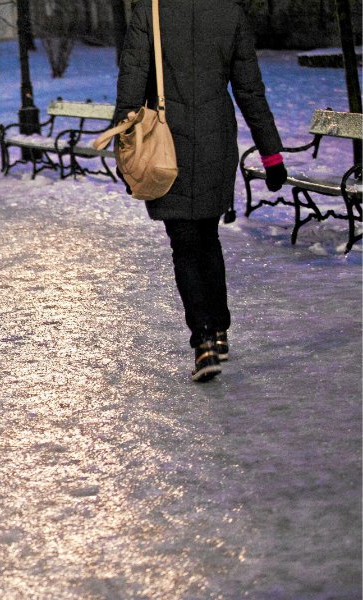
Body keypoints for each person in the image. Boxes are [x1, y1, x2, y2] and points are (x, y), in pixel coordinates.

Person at [114, 0, 287, 383]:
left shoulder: (150, 12)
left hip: (164, 145)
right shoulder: (229, 13)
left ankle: (204, 339)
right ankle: (218, 327)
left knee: (185, 242)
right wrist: (271, 152)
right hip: (215, 141)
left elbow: (130, 86)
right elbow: (249, 89)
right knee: (206, 236)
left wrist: (124, 150)